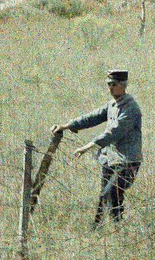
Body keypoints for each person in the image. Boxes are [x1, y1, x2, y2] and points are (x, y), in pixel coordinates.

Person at [53, 69, 143, 227]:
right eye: (108, 84)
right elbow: (93, 117)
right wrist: (67, 126)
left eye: (113, 85)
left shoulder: (131, 108)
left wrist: (87, 147)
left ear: (123, 86)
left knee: (111, 193)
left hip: (127, 161)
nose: (110, 88)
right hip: (110, 160)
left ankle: (107, 228)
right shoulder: (113, 104)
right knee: (107, 196)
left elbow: (114, 132)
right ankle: (105, 228)